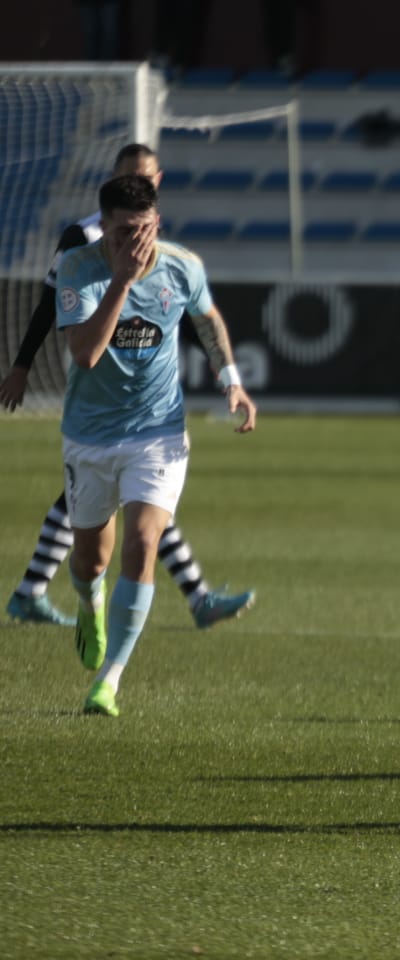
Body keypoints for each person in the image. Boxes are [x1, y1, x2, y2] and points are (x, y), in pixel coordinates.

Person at [3, 143, 255, 631]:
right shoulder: (85, 238)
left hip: (145, 420)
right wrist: (22, 364)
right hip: (94, 403)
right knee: (101, 522)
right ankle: (40, 590)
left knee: (145, 515)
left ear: (157, 182)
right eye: (131, 174)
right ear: (115, 178)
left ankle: (192, 597)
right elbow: (50, 303)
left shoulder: (155, 242)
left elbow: (193, 315)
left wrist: (229, 378)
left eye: (149, 177)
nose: (142, 182)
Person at [56, 173, 257, 717]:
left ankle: (109, 680)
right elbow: (85, 355)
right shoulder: (79, 269)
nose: (133, 243)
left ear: (157, 223)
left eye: (142, 230)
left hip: (158, 433)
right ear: (105, 228)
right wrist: (120, 282)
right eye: (122, 232)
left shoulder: (181, 265)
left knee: (144, 543)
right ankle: (86, 601)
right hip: (89, 437)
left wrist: (231, 378)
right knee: (88, 560)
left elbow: (207, 318)